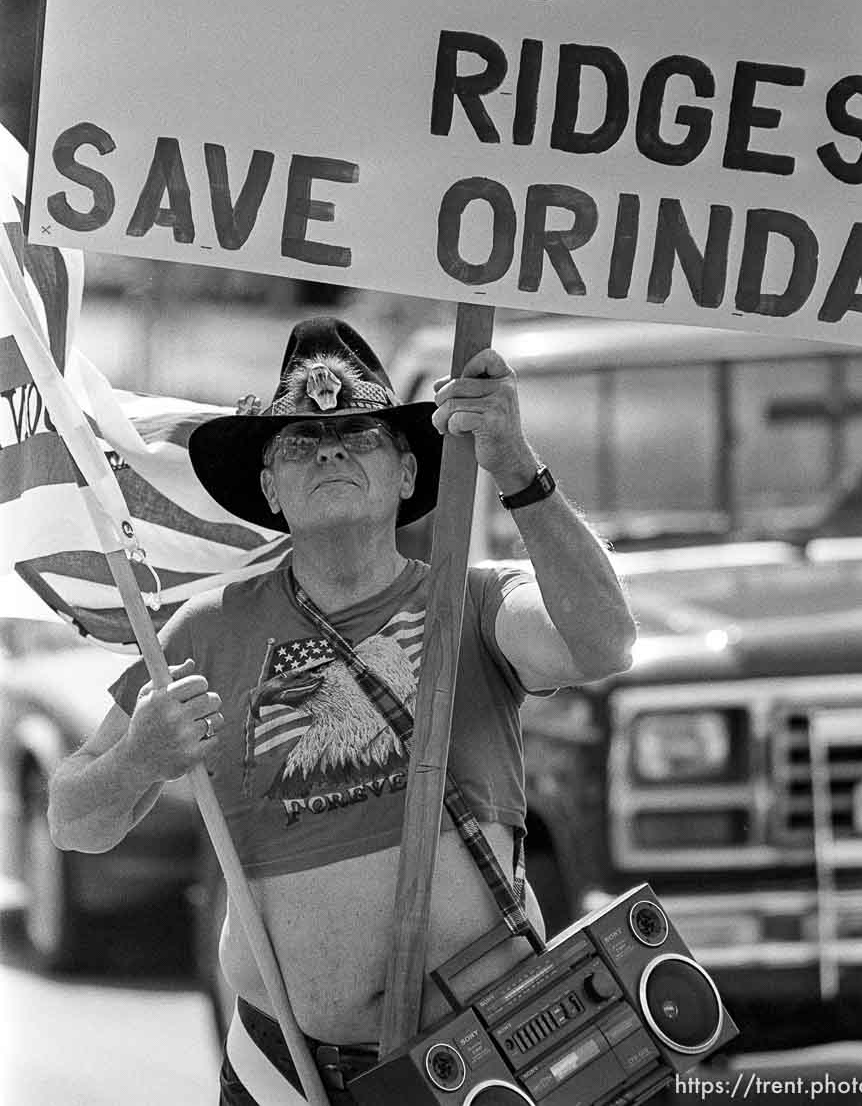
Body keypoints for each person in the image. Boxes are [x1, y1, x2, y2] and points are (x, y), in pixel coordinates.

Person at [48, 316, 636, 1105]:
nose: (327, 450)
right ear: (268, 489)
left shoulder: (478, 600)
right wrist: (140, 758)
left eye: (356, 434)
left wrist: (515, 467)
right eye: (298, 441)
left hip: (481, 1055)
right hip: (284, 1070)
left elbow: (603, 643)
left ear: (404, 474)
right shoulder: (204, 631)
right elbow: (74, 822)